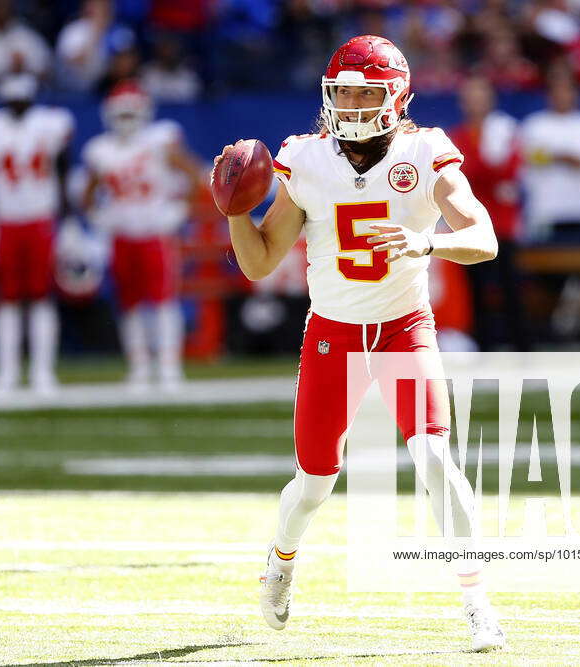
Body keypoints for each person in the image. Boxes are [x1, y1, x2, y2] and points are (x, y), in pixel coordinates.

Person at [214, 36, 505, 652]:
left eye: (363, 92)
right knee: (316, 481)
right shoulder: (307, 159)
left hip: (403, 327)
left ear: (395, 97)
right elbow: (261, 263)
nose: (348, 103)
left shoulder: (425, 152)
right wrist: (237, 213)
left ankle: (478, 601)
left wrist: (429, 243)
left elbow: (484, 237)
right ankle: (281, 561)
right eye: (340, 90)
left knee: (433, 458)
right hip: (333, 337)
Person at [80, 82, 201, 392]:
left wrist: (181, 209)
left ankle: (169, 367)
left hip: (156, 231)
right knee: (130, 303)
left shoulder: (160, 140)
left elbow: (193, 173)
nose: (126, 119)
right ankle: (139, 367)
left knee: (163, 300)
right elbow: (88, 195)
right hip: (122, 233)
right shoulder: (101, 149)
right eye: (121, 113)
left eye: (131, 112)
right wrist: (98, 217)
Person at [0, 73, 74, 394]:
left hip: (40, 219)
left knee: (41, 296)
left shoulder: (50, 124)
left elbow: (61, 171)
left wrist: (67, 221)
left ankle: (43, 371)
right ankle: (7, 371)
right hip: (6, 220)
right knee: (8, 298)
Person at [519, 73, 580, 342]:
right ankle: (543, 332)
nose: (562, 97)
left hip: (579, 213)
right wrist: (563, 156)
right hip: (544, 214)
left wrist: (551, 156)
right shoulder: (534, 125)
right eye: (556, 91)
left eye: (567, 90)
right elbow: (530, 158)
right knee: (545, 282)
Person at [448, 75, 529, 351]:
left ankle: (521, 349)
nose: (475, 102)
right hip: (469, 227)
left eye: (480, 95)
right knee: (476, 292)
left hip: (502, 225)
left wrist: (483, 172)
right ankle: (483, 348)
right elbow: (459, 174)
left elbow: (511, 170)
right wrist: (489, 172)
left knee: (510, 289)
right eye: (470, 95)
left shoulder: (505, 131)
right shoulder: (457, 136)